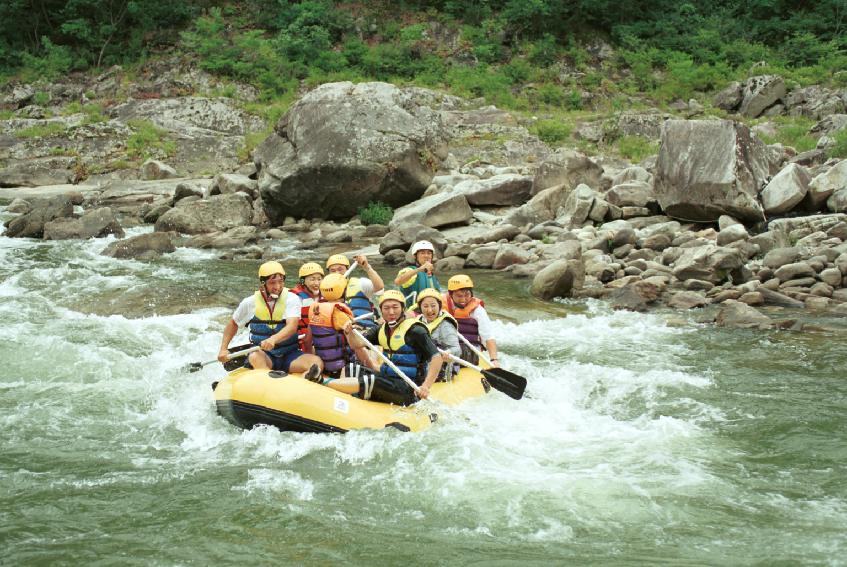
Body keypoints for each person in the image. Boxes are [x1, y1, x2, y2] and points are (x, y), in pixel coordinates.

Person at [320, 290, 443, 405]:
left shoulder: (416, 330)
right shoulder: (381, 329)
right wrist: (349, 332)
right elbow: (355, 344)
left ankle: (323, 383)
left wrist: (425, 386)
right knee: (350, 368)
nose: (391, 312)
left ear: (403, 309)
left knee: (374, 380)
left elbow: (437, 358)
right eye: (386, 308)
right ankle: (344, 402)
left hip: (410, 389)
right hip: (388, 379)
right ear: (381, 310)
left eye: (395, 307)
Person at [217, 261, 323, 380]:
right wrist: (223, 349)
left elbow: (292, 326)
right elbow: (233, 324)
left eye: (281, 281)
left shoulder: (292, 299)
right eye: (273, 283)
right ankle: (268, 381)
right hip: (265, 355)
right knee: (254, 357)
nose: (277, 287)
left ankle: (305, 381)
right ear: (263, 283)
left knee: (316, 361)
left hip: (290, 355)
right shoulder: (249, 302)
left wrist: (273, 339)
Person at [444, 274, 500, 368]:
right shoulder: (440, 304)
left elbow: (488, 336)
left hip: (469, 351)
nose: (463, 299)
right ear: (450, 295)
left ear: (471, 294)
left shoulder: (478, 311)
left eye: (467, 295)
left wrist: (494, 360)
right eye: (459, 296)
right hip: (447, 348)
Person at [308, 272, 356, 380]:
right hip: (342, 366)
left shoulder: (314, 309)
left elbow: (307, 339)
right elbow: (354, 343)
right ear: (343, 291)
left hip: (324, 364)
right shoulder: (339, 313)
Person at [325, 253, 384, 327]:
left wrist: (367, 267)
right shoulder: (324, 290)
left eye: (340, 269)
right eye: (333, 270)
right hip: (341, 331)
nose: (337, 273)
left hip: (365, 330)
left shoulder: (361, 283)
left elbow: (379, 286)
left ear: (348, 269)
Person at [416, 288, 461, 381]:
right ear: (420, 307)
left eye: (433, 306)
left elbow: (457, 350)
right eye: (425, 306)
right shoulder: (417, 321)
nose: (429, 310)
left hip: (439, 372)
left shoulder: (445, 325)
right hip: (420, 368)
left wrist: (449, 353)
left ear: (439, 306)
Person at [394, 240, 441, 309]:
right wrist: (419, 269)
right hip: (413, 313)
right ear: (415, 256)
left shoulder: (433, 276)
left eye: (429, 253)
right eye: (422, 253)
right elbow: (397, 282)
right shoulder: (410, 270)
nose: (426, 256)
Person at [291, 262, 324, 351]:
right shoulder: (295, 298)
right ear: (303, 281)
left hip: (321, 338)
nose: (317, 283)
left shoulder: (326, 295)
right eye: (312, 279)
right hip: (301, 341)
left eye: (319, 279)